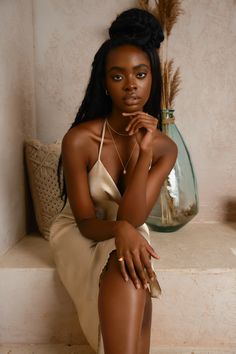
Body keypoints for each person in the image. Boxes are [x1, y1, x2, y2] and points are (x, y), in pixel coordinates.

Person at [49, 8, 177, 354]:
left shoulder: (165, 149)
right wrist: (121, 231)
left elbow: (132, 218)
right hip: (81, 232)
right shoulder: (80, 140)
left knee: (129, 263)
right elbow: (87, 222)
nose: (131, 85)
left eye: (140, 73)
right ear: (104, 83)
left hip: (129, 229)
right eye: (118, 77)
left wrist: (144, 152)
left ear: (153, 79)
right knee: (129, 259)